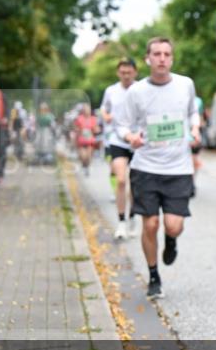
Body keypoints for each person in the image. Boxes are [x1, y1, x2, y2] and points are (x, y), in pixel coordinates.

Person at [117, 37, 200, 299]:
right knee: (150, 224)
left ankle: (172, 240)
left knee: (173, 226)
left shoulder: (185, 84)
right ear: (148, 59)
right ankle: (154, 276)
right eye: (157, 54)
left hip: (178, 168)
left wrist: (196, 129)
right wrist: (130, 138)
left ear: (172, 59)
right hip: (146, 168)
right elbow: (121, 125)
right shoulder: (136, 91)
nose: (162, 58)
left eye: (166, 54)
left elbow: (192, 114)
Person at [101, 59, 139, 239]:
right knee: (122, 180)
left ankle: (133, 217)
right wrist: (106, 116)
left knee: (135, 185)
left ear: (135, 73)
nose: (126, 75)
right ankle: (121, 222)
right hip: (117, 139)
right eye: (122, 72)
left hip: (138, 141)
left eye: (129, 72)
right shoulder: (111, 91)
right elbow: (104, 108)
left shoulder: (141, 89)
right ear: (118, 73)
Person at [73, 103, 100, 176]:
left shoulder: (93, 118)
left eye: (88, 109)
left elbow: (96, 128)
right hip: (81, 140)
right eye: (85, 109)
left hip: (90, 140)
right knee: (83, 156)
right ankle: (84, 166)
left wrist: (96, 130)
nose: (87, 111)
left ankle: (87, 167)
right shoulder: (79, 118)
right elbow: (75, 128)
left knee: (88, 155)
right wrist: (79, 130)